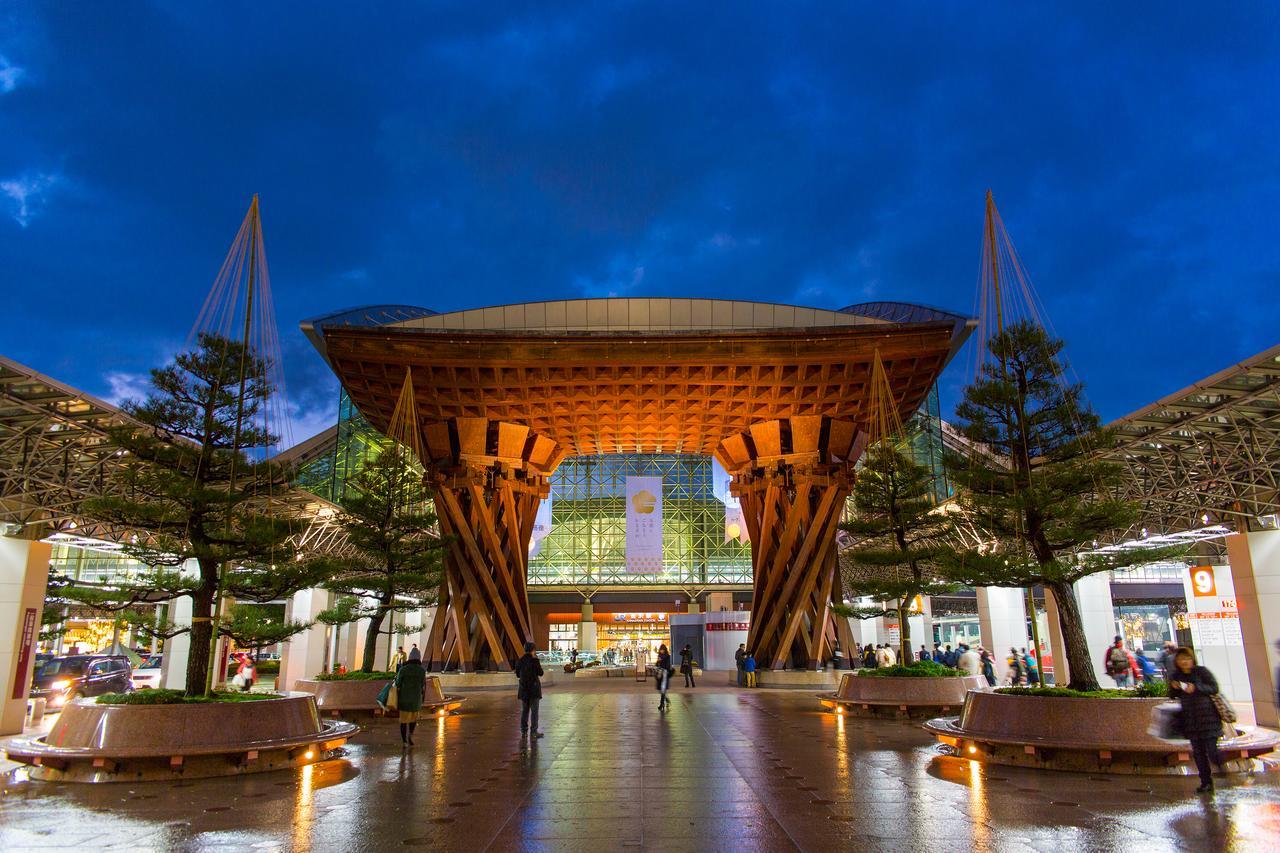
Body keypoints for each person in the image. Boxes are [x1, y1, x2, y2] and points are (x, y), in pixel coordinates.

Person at [1168, 647, 1225, 793]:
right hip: (1190, 719)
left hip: (1208, 719)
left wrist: (1196, 688)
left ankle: (1220, 764)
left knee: (1211, 751)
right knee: (1198, 753)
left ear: (1192, 659)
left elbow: (1214, 688)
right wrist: (1174, 688)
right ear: (1177, 661)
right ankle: (1206, 782)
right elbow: (1172, 695)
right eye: (1181, 659)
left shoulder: (1202, 672)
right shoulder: (1176, 675)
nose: (1184, 662)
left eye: (1186, 658)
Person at [393, 648, 427, 746]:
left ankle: (404, 741)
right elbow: (422, 685)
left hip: (404, 699)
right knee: (413, 719)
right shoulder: (421, 671)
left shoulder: (403, 669)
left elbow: (398, 683)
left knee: (403, 721)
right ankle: (410, 734)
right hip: (416, 699)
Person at [515, 641, 544, 737]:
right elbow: (540, 673)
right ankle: (534, 732)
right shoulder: (535, 661)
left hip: (523, 689)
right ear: (533, 650)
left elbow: (518, 674)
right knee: (534, 711)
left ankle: (523, 731)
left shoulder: (520, 660)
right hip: (534, 689)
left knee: (524, 711)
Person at [655, 643, 674, 710]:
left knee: (663, 689)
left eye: (662, 650)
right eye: (660, 650)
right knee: (660, 690)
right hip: (659, 674)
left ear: (665, 650)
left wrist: (661, 662)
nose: (661, 651)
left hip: (665, 674)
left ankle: (661, 704)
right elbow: (657, 664)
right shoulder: (659, 656)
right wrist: (658, 662)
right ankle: (667, 700)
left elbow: (667, 666)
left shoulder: (667, 656)